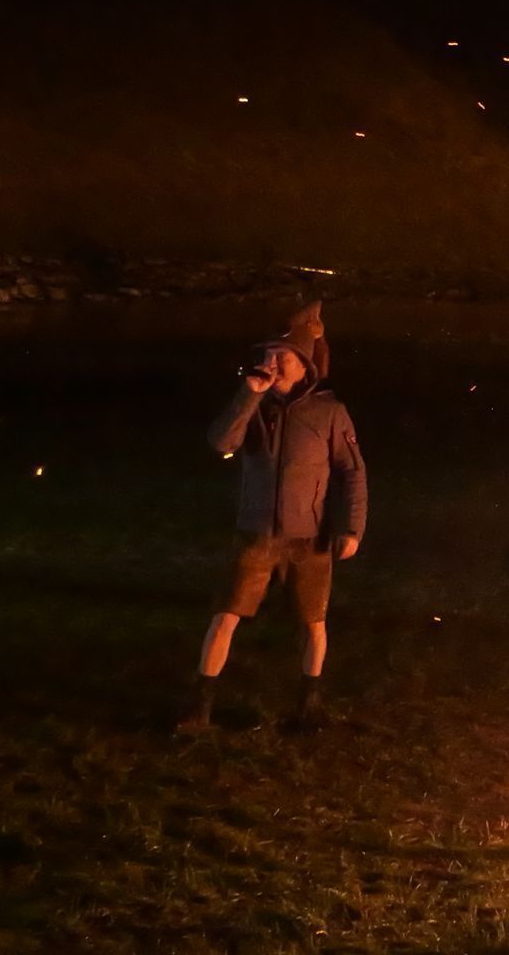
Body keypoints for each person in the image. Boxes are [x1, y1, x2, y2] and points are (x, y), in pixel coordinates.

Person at [178, 301, 368, 733]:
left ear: (304, 366)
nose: (273, 363)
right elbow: (221, 443)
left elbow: (352, 472)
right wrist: (249, 394)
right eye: (268, 355)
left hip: (309, 538)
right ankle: (200, 709)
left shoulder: (329, 413)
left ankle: (308, 708)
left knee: (313, 623)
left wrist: (351, 527)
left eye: (283, 357)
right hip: (256, 534)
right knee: (225, 615)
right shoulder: (254, 406)